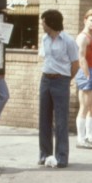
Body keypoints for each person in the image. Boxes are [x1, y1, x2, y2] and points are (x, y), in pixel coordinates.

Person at [38, 9, 79, 168]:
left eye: (44, 21)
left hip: (61, 80)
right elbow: (45, 58)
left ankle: (61, 157)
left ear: (51, 23)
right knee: (44, 118)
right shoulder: (44, 39)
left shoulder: (68, 41)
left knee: (61, 120)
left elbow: (75, 64)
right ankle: (44, 155)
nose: (42, 24)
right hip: (46, 79)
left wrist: (67, 79)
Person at [74, 9, 92, 150]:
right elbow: (81, 58)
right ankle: (80, 139)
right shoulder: (83, 37)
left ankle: (89, 137)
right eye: (91, 20)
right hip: (86, 73)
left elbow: (91, 56)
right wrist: (86, 75)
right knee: (84, 107)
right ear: (85, 20)